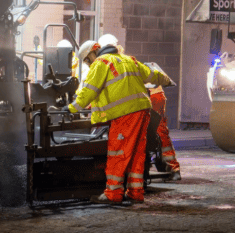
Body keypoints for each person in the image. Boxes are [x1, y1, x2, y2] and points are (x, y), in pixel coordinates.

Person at [63, 39, 171, 205]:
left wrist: (71, 108)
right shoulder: (129, 60)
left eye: (87, 60)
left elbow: (89, 91)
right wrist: (166, 80)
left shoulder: (101, 63)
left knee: (117, 153)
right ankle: (135, 193)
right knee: (137, 153)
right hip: (143, 111)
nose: (89, 64)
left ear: (92, 54)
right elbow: (151, 75)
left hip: (125, 115)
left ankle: (113, 194)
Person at [98, 34, 181, 181]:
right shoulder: (125, 59)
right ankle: (168, 167)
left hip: (150, 96)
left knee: (155, 130)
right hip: (151, 94)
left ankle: (170, 168)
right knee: (155, 131)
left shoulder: (114, 62)